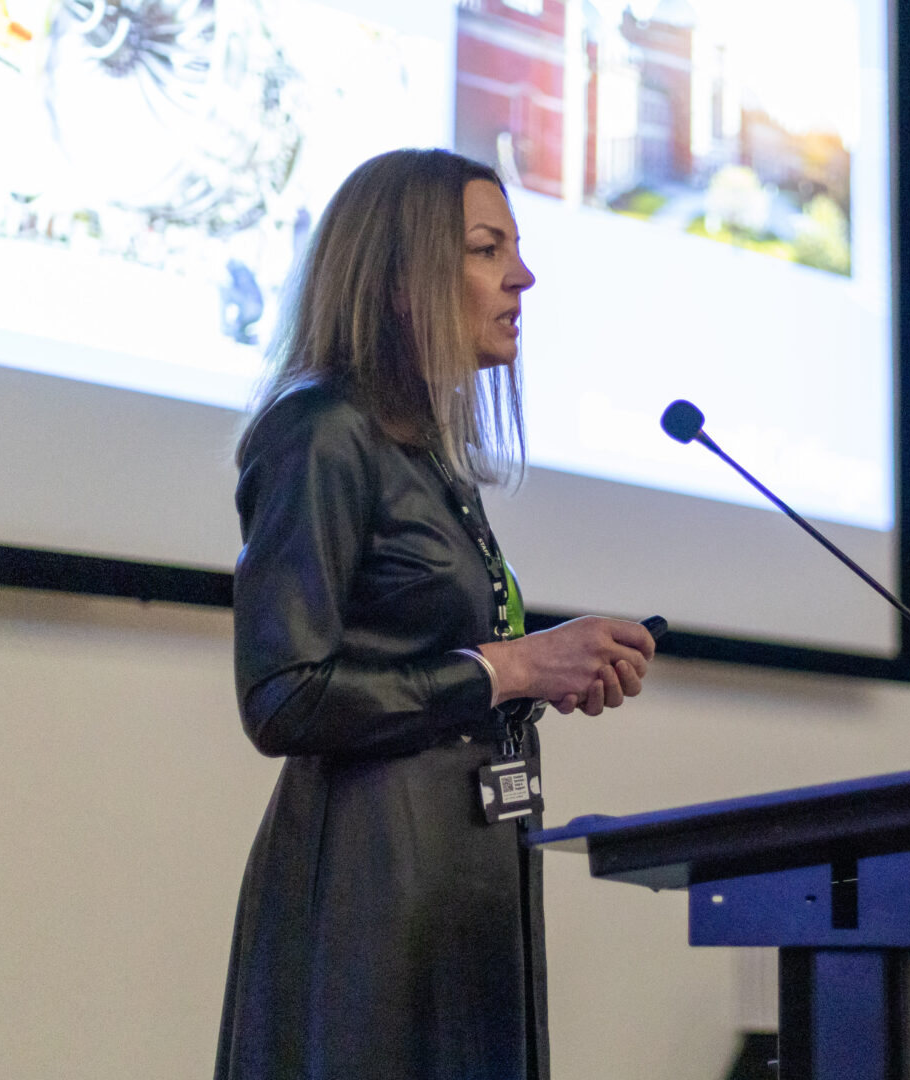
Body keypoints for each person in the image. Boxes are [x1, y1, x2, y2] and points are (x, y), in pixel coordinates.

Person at [214, 148, 657, 1080]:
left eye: (516, 249)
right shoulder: (320, 429)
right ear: (404, 277)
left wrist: (547, 670)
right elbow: (285, 696)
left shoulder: (429, 457)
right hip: (369, 891)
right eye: (487, 249)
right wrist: (514, 668)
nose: (522, 276)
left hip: (466, 873)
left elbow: (439, 661)